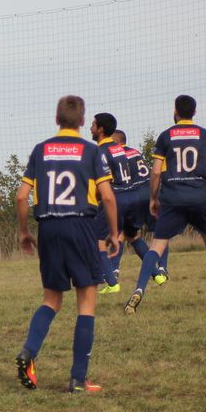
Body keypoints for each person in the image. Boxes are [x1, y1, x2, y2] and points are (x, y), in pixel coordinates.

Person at [14, 96, 118, 394]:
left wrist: (24, 232)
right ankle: (78, 379)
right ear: (84, 122)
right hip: (81, 226)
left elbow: (22, 196)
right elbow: (107, 196)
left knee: (51, 299)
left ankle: (29, 352)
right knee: (86, 301)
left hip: (48, 227)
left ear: (57, 119)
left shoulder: (41, 149)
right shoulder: (91, 150)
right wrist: (113, 232)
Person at [124, 95, 206, 314]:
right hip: (200, 196)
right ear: (194, 112)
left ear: (176, 111)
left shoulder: (166, 136)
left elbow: (155, 172)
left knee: (157, 246)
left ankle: (138, 289)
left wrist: (154, 198)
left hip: (172, 198)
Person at [112, 130, 166, 284]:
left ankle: (113, 271)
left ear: (115, 142)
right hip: (150, 191)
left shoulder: (116, 154)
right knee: (159, 232)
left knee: (123, 233)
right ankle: (161, 269)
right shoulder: (135, 152)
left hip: (134, 194)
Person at [89, 113, 128, 294]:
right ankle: (157, 272)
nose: (91, 128)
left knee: (97, 242)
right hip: (128, 197)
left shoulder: (100, 151)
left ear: (101, 129)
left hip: (113, 199)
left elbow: (106, 182)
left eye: (93, 125)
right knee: (124, 237)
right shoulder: (118, 148)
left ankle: (111, 282)